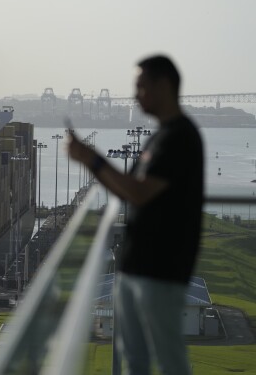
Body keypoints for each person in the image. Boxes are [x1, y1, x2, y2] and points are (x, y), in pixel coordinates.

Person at [67, 55, 203, 375]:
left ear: (164, 85)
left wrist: (93, 159)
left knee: (169, 360)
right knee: (134, 360)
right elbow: (127, 190)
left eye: (141, 87)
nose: (135, 96)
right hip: (135, 267)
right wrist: (90, 162)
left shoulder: (180, 138)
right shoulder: (158, 137)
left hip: (162, 269)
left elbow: (139, 192)